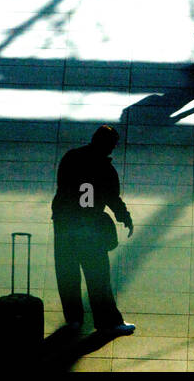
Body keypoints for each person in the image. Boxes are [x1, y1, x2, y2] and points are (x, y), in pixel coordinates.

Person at [51, 125, 135, 337]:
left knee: (68, 274)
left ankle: (74, 320)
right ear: (106, 144)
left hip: (63, 225)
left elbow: (63, 188)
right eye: (112, 145)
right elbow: (111, 198)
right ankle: (108, 321)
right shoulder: (104, 168)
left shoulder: (71, 157)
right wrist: (124, 217)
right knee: (97, 276)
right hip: (88, 229)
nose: (113, 150)